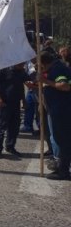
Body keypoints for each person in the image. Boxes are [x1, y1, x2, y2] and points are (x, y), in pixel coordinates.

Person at [38, 51, 71, 180]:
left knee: (63, 140)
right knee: (61, 139)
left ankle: (63, 171)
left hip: (62, 110)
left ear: (44, 63)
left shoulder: (58, 69)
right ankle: (61, 166)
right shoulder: (56, 67)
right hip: (56, 109)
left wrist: (44, 80)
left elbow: (64, 86)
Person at [0, 63, 31, 158]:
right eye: (21, 64)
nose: (23, 65)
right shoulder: (3, 69)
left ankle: (10, 146)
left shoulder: (21, 71)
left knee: (14, 126)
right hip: (4, 102)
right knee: (0, 126)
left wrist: (24, 101)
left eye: (24, 64)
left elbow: (22, 86)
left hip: (16, 103)